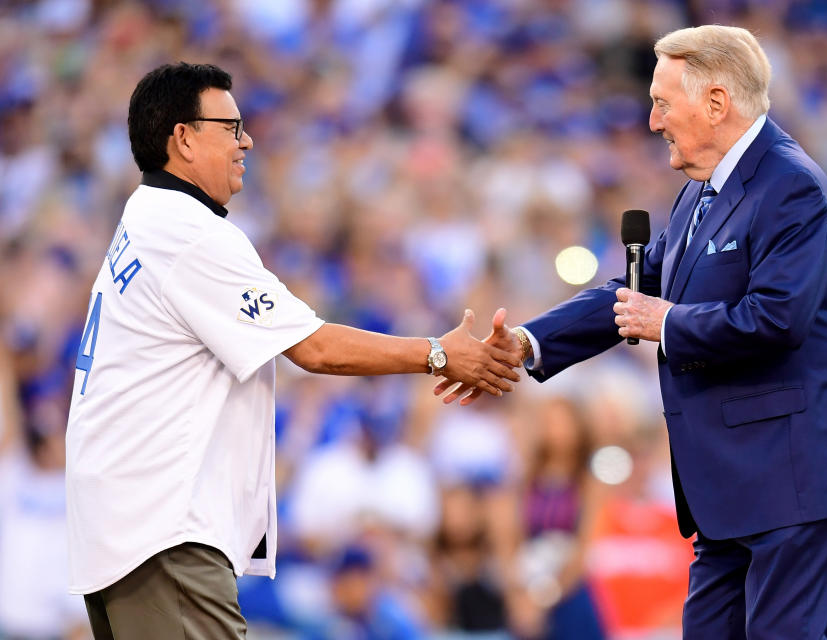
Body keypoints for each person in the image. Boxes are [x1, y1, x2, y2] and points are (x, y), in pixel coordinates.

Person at [438, 25, 827, 639]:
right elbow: (636, 289)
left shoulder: (792, 187)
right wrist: (529, 344)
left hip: (795, 483)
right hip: (729, 490)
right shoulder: (701, 194)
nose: (652, 121)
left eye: (663, 102)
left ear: (717, 103)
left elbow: (777, 318)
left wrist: (667, 321)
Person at [65, 62, 520, 639]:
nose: (246, 140)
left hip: (128, 526)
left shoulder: (147, 214)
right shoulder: (189, 231)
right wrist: (438, 353)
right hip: (164, 532)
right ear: (182, 137)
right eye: (229, 127)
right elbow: (316, 349)